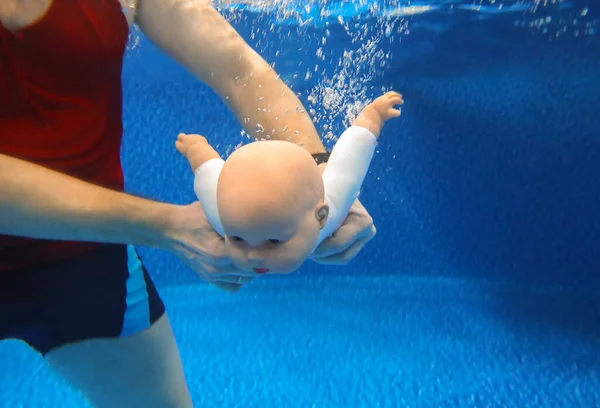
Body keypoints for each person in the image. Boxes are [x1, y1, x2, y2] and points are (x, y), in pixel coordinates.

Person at [0, 1, 376, 407]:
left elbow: (240, 71)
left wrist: (316, 182)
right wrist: (167, 226)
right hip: (104, 235)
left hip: (87, 255)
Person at [176, 91, 403, 275]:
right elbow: (209, 179)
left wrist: (372, 118)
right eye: (236, 239)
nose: (253, 255)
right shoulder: (224, 218)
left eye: (274, 241)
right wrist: (197, 151)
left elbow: (349, 164)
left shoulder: (331, 211)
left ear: (320, 217)